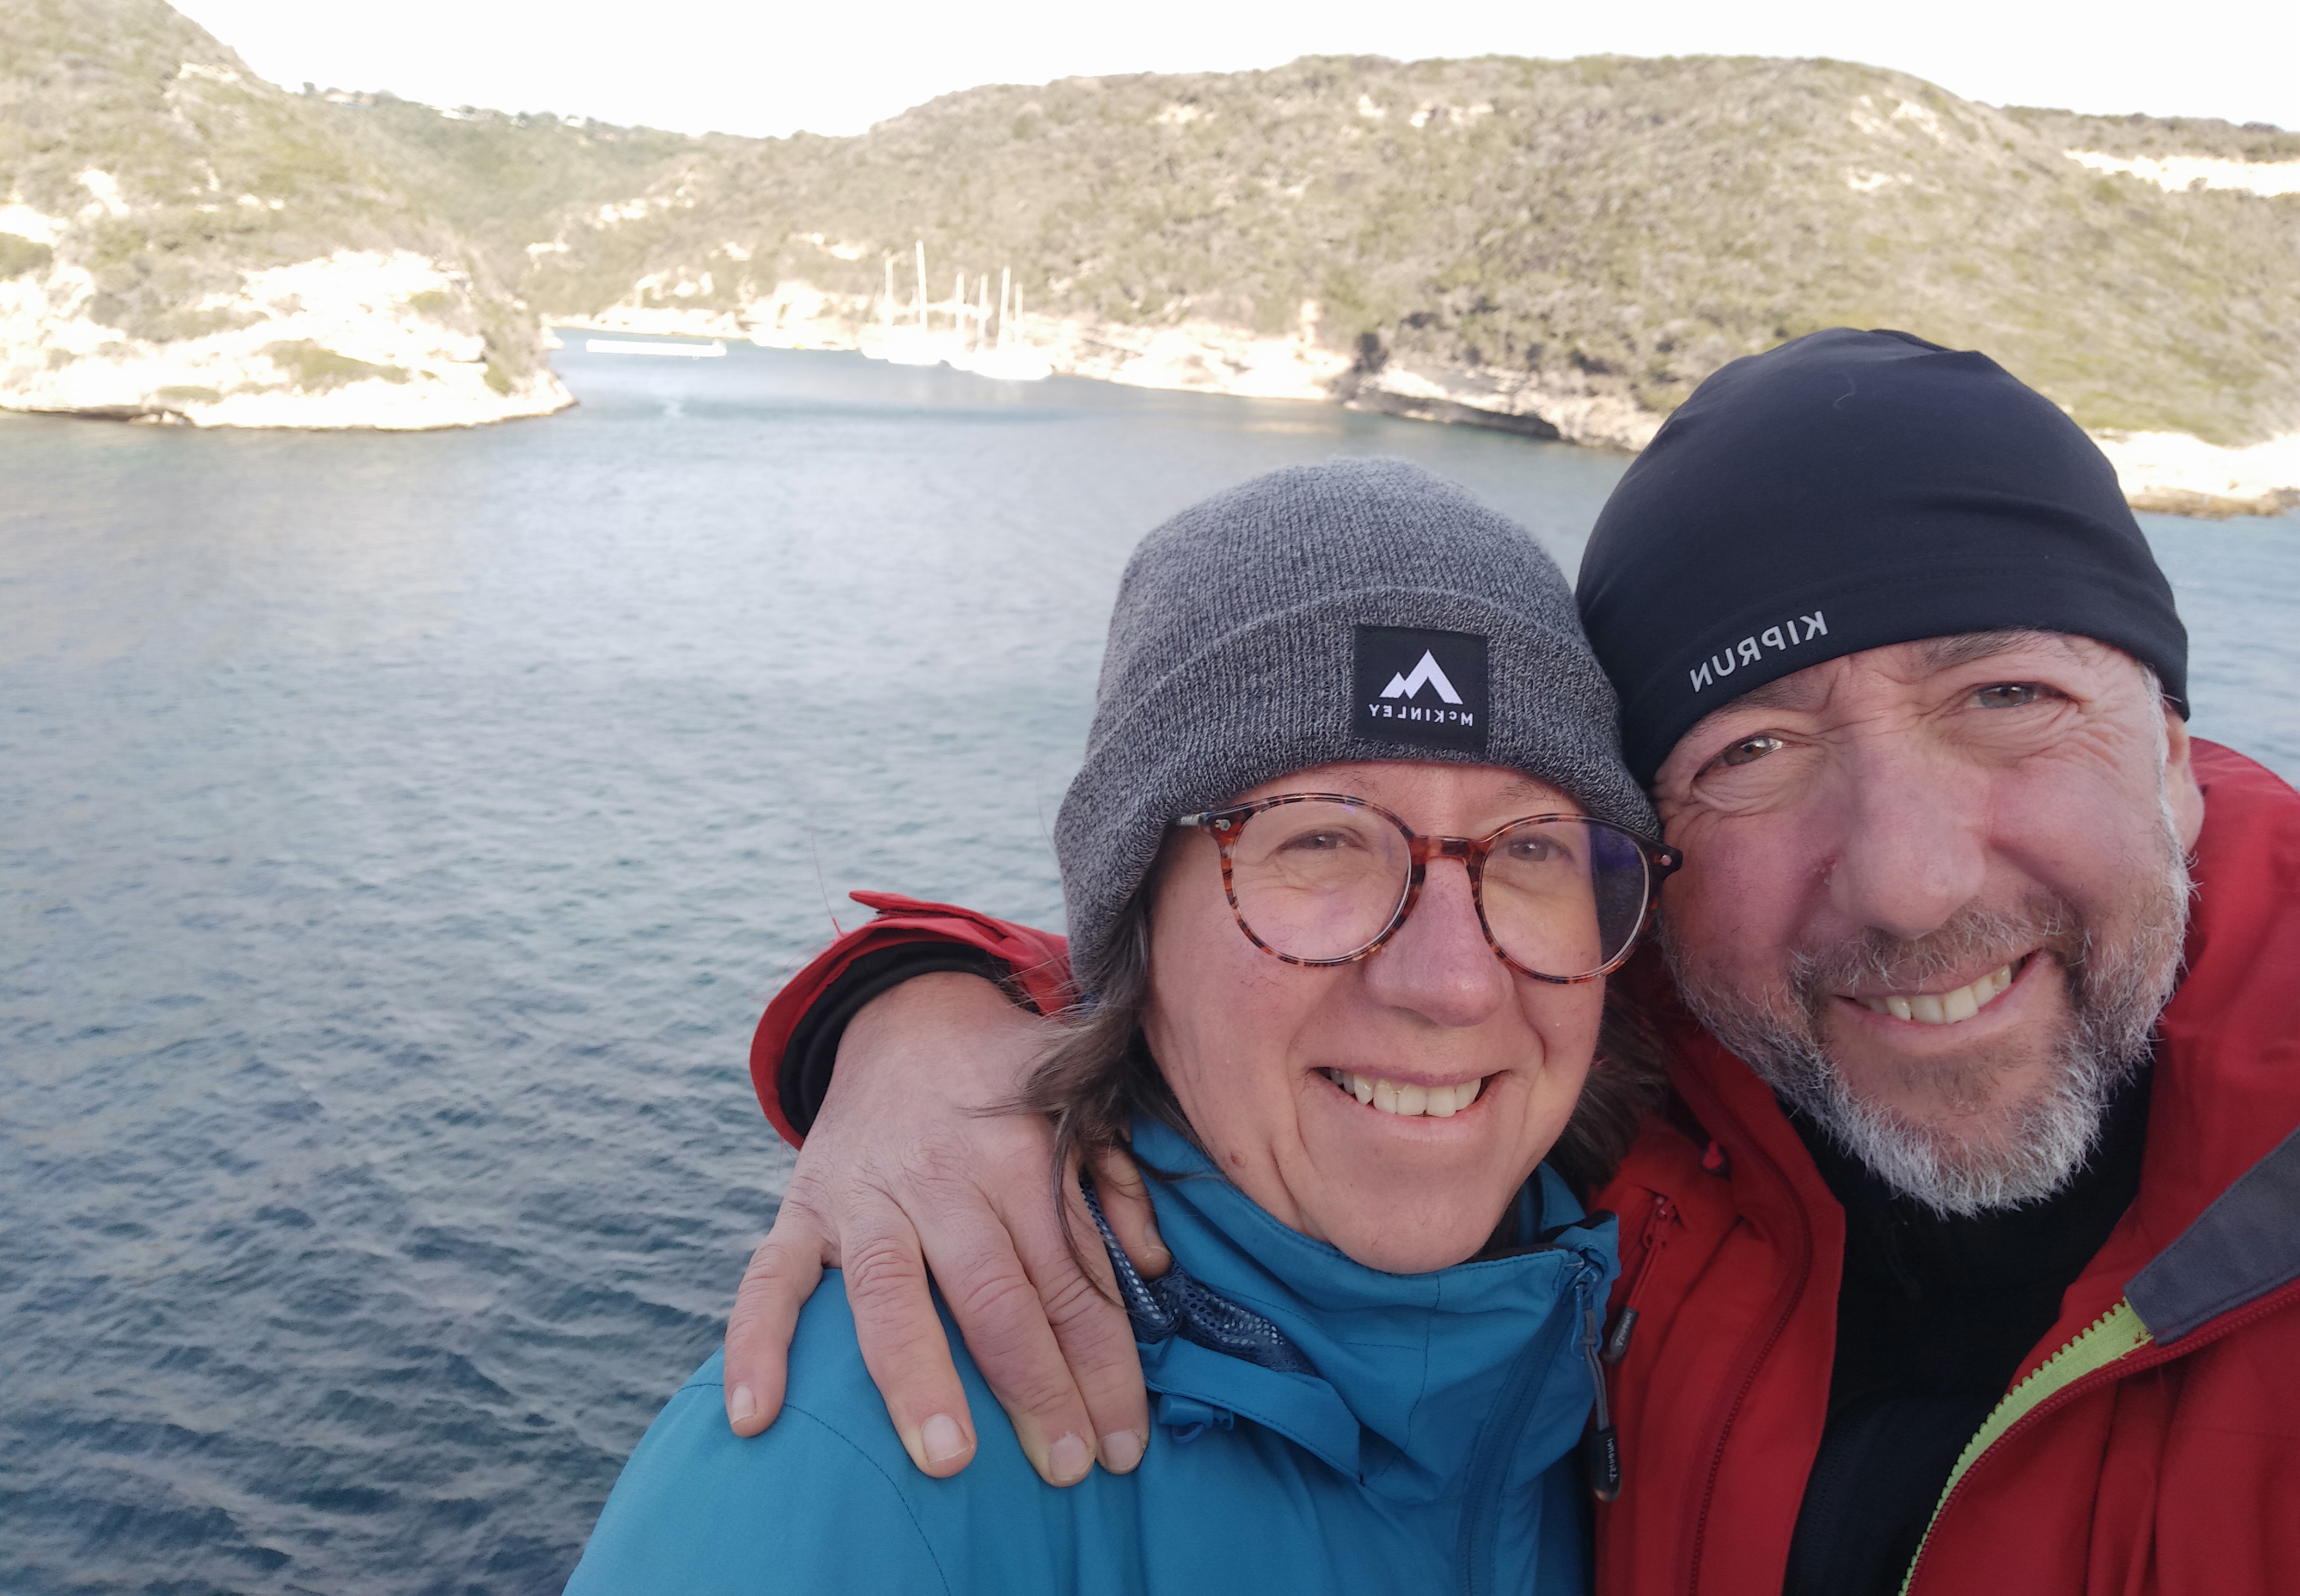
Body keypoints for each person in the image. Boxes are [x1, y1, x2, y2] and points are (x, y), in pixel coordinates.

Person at [723, 330, 2300, 1596]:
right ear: (1659, 872)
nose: (1907, 880)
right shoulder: (1648, 1074)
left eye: (2010, 697)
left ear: (2174, 755)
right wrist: (930, 1017)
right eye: (1751, 751)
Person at [565, 460, 1688, 1593]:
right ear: (1137, 915)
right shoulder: (853, 1466)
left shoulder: (1628, 1317)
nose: (1452, 982)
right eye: (1321, 840)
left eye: (1534, 846)